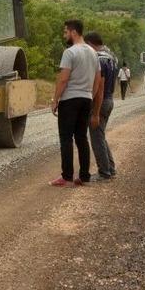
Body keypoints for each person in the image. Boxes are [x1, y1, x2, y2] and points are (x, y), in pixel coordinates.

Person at [50, 19, 101, 187]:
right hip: (86, 99)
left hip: (70, 99)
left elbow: (63, 79)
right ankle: (84, 176)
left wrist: (55, 99)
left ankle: (66, 176)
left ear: (73, 32)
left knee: (66, 138)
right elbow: (97, 79)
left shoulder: (70, 52)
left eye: (66, 32)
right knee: (81, 137)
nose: (65, 35)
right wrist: (90, 96)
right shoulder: (93, 53)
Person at [85, 32, 117, 180]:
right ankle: (110, 167)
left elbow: (100, 87)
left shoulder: (98, 59)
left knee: (96, 137)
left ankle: (104, 172)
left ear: (90, 43)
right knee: (100, 136)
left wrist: (95, 112)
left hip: (101, 100)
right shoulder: (111, 57)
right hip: (109, 99)